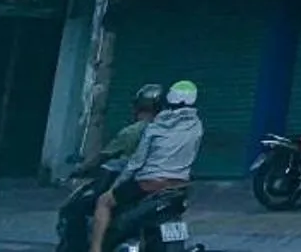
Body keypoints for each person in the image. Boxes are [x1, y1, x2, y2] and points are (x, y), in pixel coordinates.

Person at [89, 81, 201, 252]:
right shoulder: (197, 126)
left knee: (104, 201)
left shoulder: (156, 127)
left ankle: (95, 249)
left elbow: (136, 163)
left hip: (149, 184)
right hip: (179, 186)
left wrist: (116, 185)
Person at [57, 88, 161, 252]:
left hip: (135, 184)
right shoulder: (172, 132)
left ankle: (95, 247)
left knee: (93, 204)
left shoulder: (133, 131)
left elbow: (103, 157)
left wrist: (82, 169)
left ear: (138, 107)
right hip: (166, 183)